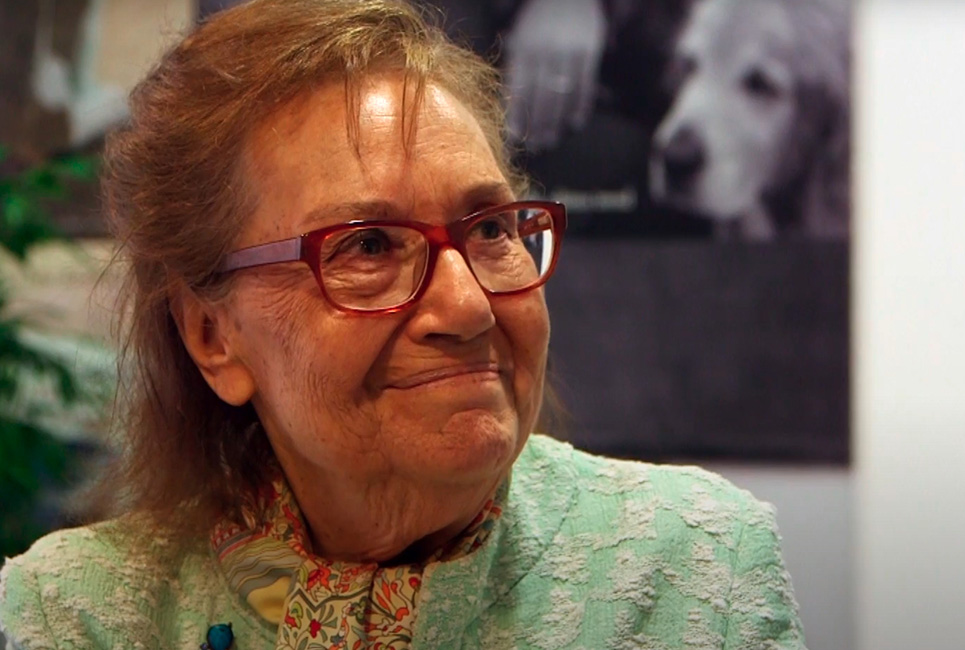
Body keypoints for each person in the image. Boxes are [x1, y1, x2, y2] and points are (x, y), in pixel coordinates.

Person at [0, 1, 806, 648]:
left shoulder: (695, 569)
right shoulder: (74, 616)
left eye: (491, 230)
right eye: (369, 245)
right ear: (214, 336)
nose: (468, 306)